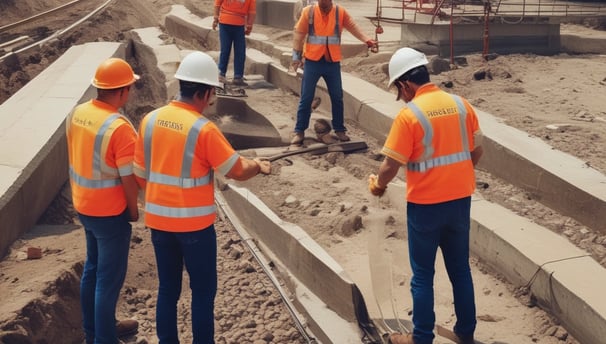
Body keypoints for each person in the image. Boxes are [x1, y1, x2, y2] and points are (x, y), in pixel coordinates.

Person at [133, 51, 271, 344]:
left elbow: (139, 173)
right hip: (194, 226)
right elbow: (236, 171)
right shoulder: (203, 129)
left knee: (168, 288)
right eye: (212, 94)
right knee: (203, 291)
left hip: (158, 222)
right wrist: (258, 165)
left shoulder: (150, 120)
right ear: (206, 92)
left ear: (182, 83)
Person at [368, 47, 484, 344]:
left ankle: (421, 338)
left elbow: (390, 165)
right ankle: (466, 332)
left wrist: (378, 186)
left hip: (426, 206)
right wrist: (456, 174)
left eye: (398, 89)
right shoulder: (461, 105)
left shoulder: (410, 116)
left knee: (422, 276)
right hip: (460, 201)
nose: (400, 95)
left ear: (406, 84)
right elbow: (477, 150)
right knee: (460, 269)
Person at [66, 57, 140, 344]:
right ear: (121, 91)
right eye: (130, 87)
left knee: (93, 270)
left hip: (83, 205)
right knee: (108, 282)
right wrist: (133, 211)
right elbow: (128, 179)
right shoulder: (120, 128)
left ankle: (95, 331)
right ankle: (104, 340)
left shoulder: (77, 113)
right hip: (110, 213)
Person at [290, 0, 378, 145]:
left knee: (337, 97)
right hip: (312, 61)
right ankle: (299, 131)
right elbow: (299, 34)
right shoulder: (309, 12)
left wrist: (368, 40)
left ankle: (339, 129)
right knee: (306, 98)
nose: (323, 3)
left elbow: (353, 27)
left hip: (332, 62)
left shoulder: (340, 12)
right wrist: (296, 57)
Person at [212, 0, 256, 86]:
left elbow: (217, 3)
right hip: (238, 25)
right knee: (240, 51)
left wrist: (216, 18)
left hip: (225, 23)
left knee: (225, 50)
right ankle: (238, 76)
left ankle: (221, 74)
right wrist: (249, 26)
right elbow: (252, 11)